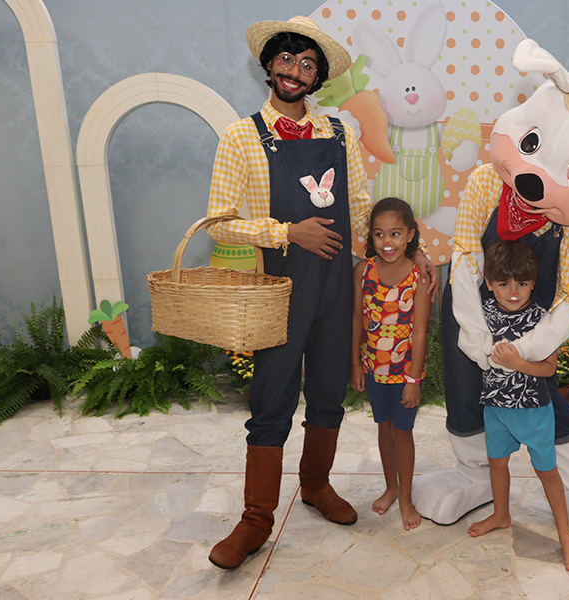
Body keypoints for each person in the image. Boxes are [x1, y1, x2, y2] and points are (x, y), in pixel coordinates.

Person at [204, 16, 436, 570]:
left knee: (329, 391)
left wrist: (413, 249)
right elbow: (219, 224)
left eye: (308, 64)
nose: (295, 71)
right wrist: (288, 232)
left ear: (318, 77)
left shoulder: (339, 134)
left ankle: (315, 485)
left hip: (335, 286)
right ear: (269, 65)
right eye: (287, 59)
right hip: (279, 289)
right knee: (272, 398)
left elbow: (361, 213)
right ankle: (256, 519)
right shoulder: (241, 137)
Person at [466, 240, 569, 572]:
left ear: (533, 282)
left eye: (522, 283)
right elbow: (473, 344)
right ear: (489, 283)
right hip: (496, 407)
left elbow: (549, 368)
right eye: (503, 284)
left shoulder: (541, 319)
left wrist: (517, 363)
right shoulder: (483, 314)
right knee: (497, 463)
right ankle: (501, 514)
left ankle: (565, 536)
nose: (514, 292)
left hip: (533, 410)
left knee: (547, 472)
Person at [350, 197, 431, 530]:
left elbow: (420, 332)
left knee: (402, 432)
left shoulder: (418, 276)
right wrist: (356, 365)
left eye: (396, 234)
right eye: (379, 234)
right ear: (371, 235)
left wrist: (413, 381)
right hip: (373, 370)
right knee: (383, 428)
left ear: (410, 235)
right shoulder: (363, 271)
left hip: (405, 373)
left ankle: (406, 498)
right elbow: (357, 319)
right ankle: (391, 487)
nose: (387, 242)